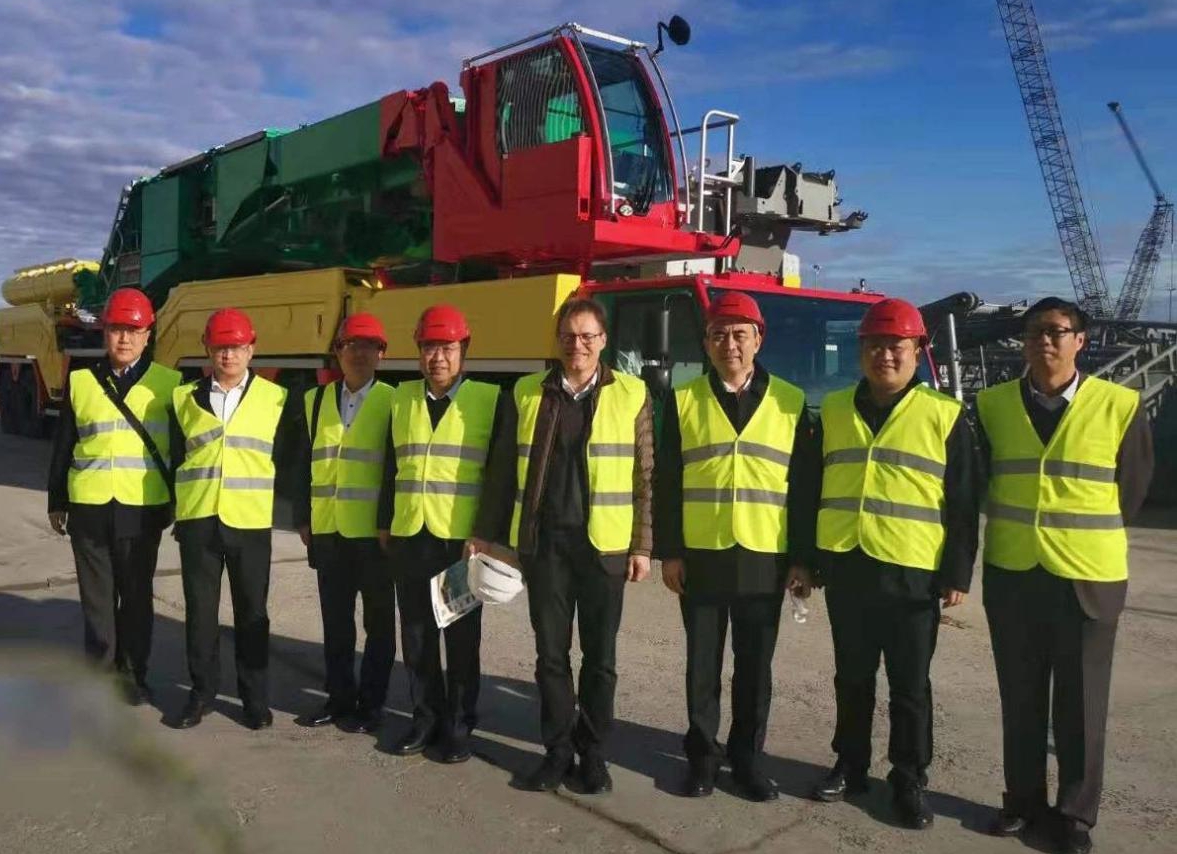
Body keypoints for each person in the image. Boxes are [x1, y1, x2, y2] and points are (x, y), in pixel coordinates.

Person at [978, 297, 1152, 854]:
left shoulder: (1120, 405)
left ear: (1081, 340)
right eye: (1034, 332)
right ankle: (1022, 801)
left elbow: (1131, 491)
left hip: (1088, 578)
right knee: (1020, 696)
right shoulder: (991, 404)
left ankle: (1075, 815)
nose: (1043, 341)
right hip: (1014, 572)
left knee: (1082, 704)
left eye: (1056, 331)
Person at [472, 297, 654, 795]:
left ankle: (592, 755)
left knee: (600, 659)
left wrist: (642, 545)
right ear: (557, 340)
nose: (578, 345)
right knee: (550, 655)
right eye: (570, 336)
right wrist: (492, 537)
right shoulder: (527, 392)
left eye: (588, 336)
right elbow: (502, 468)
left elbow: (645, 474)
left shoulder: (632, 393)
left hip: (604, 547)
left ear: (603, 341)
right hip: (545, 545)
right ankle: (556, 751)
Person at [808, 297, 978, 830]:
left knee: (909, 685)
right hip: (847, 563)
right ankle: (850, 765)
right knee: (852, 677)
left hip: (913, 571)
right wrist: (808, 560)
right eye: (875, 345)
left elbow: (964, 502)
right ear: (861, 351)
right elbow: (812, 486)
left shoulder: (944, 415)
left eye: (896, 345)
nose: (885, 354)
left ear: (918, 350)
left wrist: (956, 574)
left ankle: (908, 778)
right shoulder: (834, 409)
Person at [654, 291, 818, 802]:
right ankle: (702, 760)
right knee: (702, 666)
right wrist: (670, 552)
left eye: (740, 334)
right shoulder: (683, 399)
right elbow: (667, 480)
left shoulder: (790, 401)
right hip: (701, 554)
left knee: (754, 669)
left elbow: (804, 488)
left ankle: (747, 762)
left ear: (758, 339)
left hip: (764, 556)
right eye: (719, 335)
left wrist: (802, 560)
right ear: (706, 343)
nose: (730, 344)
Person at [168, 308, 303, 730]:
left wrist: (294, 513)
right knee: (200, 614)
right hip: (199, 520)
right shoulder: (183, 397)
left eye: (236, 347)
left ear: (251, 349)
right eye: (220, 347)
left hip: (250, 523)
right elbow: (175, 458)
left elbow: (290, 460)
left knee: (252, 615)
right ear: (207, 349)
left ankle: (254, 700)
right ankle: (201, 694)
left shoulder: (276, 398)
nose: (228, 355)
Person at [378, 305, 502, 763]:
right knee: (416, 634)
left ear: (464, 350)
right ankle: (425, 718)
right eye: (430, 347)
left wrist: (485, 533)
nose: (438, 358)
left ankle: (459, 725)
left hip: (459, 541)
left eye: (447, 348)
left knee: (461, 638)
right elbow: (390, 464)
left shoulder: (489, 400)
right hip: (411, 532)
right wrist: (385, 521)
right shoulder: (401, 399)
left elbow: (499, 476)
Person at [47, 288, 181, 705]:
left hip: (142, 509)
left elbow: (180, 452)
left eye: (133, 330)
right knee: (97, 601)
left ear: (148, 335)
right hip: (88, 507)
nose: (124, 338)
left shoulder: (169, 384)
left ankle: (133, 675)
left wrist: (179, 503)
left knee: (136, 599)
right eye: (116, 329)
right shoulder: (81, 381)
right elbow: (64, 445)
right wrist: (56, 499)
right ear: (104, 332)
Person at [293, 313, 396, 734]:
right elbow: (302, 462)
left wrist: (389, 523)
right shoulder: (314, 400)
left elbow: (395, 470)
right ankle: (338, 699)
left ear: (381, 354)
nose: (359, 353)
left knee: (379, 625)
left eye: (368, 345)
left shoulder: (394, 401)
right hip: (328, 531)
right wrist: (303, 517)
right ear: (337, 351)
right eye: (350, 345)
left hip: (374, 536)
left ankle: (371, 705)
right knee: (336, 623)